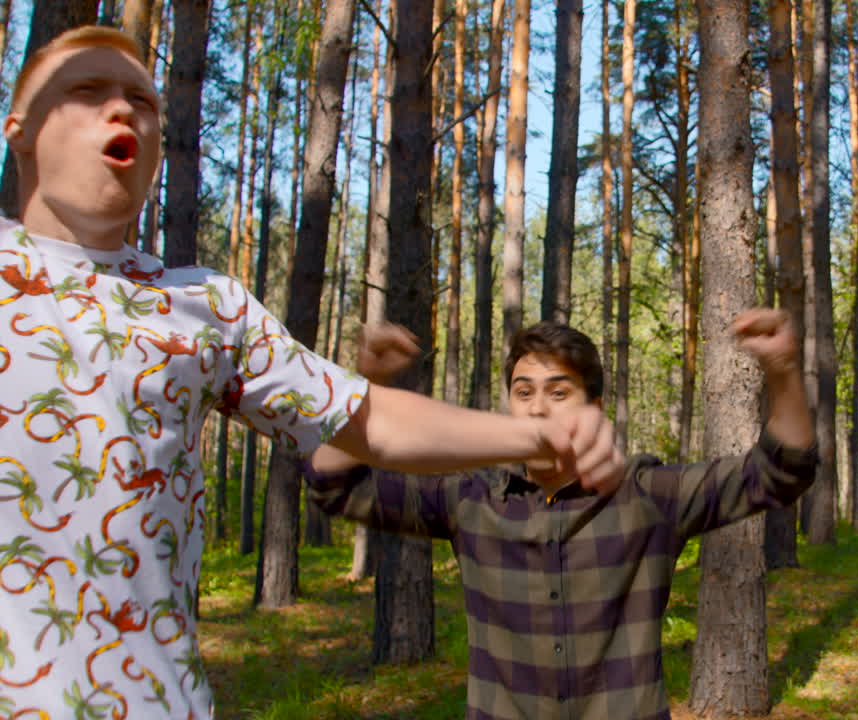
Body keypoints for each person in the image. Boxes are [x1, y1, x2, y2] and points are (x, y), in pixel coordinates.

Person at [0, 26, 621, 720]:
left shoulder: (206, 305)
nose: (123, 112)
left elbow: (369, 423)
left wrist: (543, 437)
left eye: (142, 101)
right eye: (88, 91)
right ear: (19, 129)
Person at [307, 308, 818, 720]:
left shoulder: (648, 497)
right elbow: (335, 485)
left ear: (594, 405)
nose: (537, 409)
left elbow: (780, 473)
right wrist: (363, 382)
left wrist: (783, 371)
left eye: (559, 392)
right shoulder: (470, 500)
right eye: (523, 392)